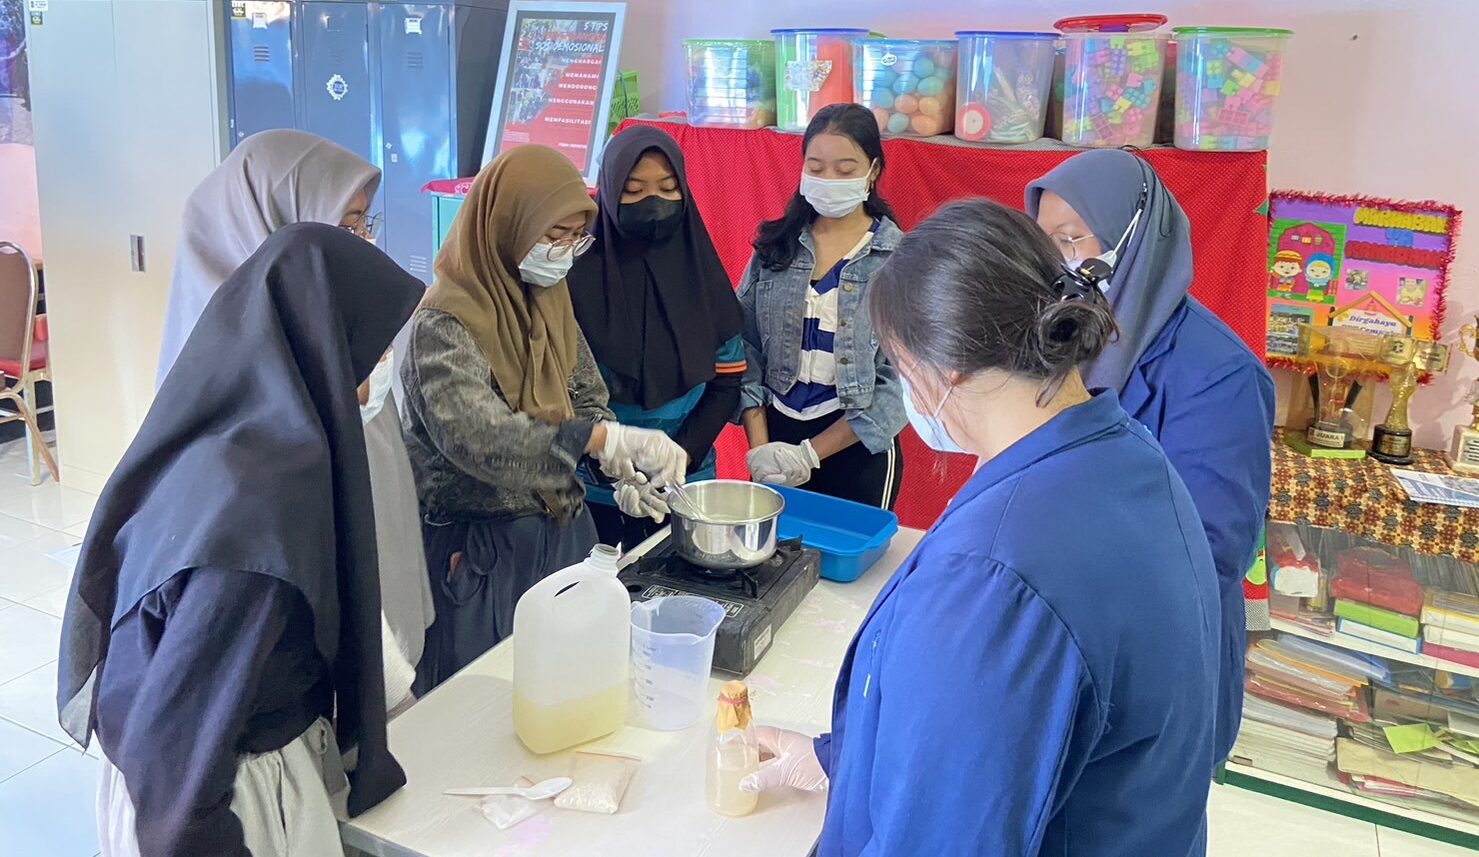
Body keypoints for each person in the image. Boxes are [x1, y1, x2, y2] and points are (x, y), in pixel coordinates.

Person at [740, 199, 1219, 855]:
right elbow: (1003, 732)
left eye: (900, 368)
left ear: (948, 370)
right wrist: (844, 762)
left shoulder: (996, 577)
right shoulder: (1124, 458)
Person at [58, 224, 424, 856]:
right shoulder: (261, 519)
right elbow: (178, 778)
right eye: (368, 351)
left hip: (192, 761)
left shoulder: (228, 436)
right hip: (222, 801)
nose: (377, 371)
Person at [154, 129, 433, 711]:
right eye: (345, 226)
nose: (361, 246)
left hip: (379, 620)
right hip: (295, 672)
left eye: (365, 225)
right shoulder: (225, 365)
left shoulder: (330, 319)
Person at [401, 144, 687, 692]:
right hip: (482, 554)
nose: (564, 251)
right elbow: (477, 438)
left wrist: (619, 469)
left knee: (569, 691)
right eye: (554, 234)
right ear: (508, 223)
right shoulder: (444, 322)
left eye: (577, 236)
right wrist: (595, 439)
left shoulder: (549, 297)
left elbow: (584, 393)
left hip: (562, 534)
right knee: (485, 704)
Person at [1027, 150, 1275, 764]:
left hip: (1158, 660)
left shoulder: (1219, 375)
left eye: (1069, 239)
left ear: (1131, 236)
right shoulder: (1063, 338)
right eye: (1043, 242)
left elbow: (1211, 552)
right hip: (1065, 637)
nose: (1056, 262)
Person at [568, 125, 746, 546]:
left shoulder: (703, 277)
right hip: (591, 493)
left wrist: (681, 456)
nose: (654, 204)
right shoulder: (571, 283)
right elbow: (556, 397)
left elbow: (727, 382)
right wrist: (609, 470)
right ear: (609, 192)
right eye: (633, 190)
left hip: (686, 485)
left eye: (668, 188)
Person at [737, 103, 907, 509]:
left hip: (857, 450)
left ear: (873, 171)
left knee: (852, 552)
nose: (828, 180)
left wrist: (810, 455)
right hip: (775, 441)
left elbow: (904, 379)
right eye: (816, 168)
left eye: (845, 170)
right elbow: (743, 347)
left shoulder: (899, 259)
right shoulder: (775, 248)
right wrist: (762, 450)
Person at [156, 129, 381, 385]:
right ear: (279, 222)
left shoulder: (306, 305)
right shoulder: (222, 356)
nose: (364, 240)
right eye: (348, 226)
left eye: (365, 223)